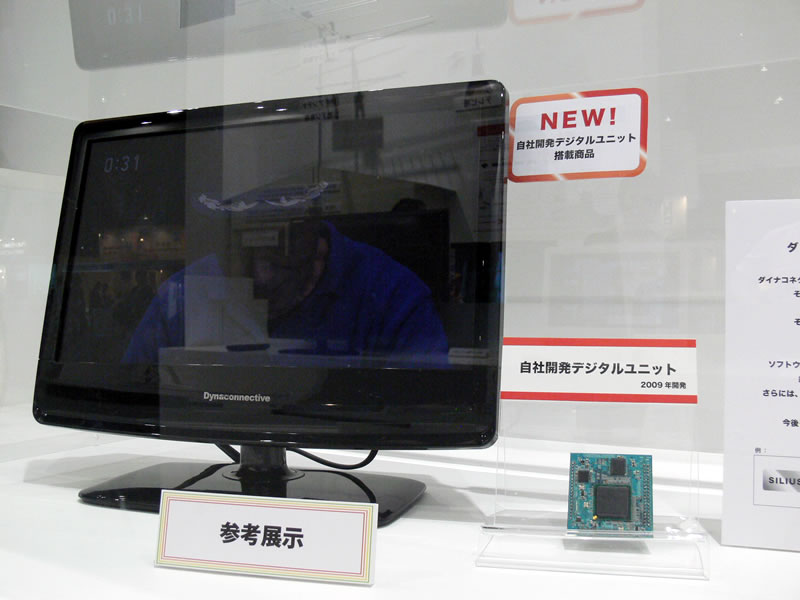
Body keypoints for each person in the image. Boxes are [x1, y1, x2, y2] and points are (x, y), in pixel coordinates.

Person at [122, 220, 448, 364]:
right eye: (246, 254)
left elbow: (427, 417)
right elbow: (134, 400)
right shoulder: (181, 294)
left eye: (284, 248)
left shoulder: (393, 296)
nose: (263, 278)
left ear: (314, 228)